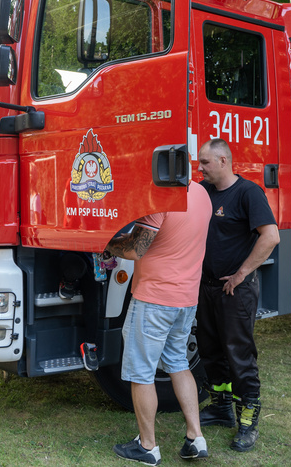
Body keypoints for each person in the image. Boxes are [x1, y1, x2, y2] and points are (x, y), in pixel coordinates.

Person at [106, 180, 213, 465]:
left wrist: (105, 243)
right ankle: (195, 437)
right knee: (178, 362)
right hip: (186, 298)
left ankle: (148, 447)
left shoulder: (161, 196)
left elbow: (134, 249)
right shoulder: (201, 193)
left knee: (141, 371)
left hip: (155, 298)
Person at [195, 139, 280, 452]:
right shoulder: (204, 193)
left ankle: (248, 419)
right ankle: (221, 408)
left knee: (239, 355)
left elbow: (270, 236)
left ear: (222, 160)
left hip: (236, 290)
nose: (200, 168)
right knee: (210, 350)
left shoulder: (248, 193)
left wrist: (242, 274)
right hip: (207, 287)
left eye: (205, 162)